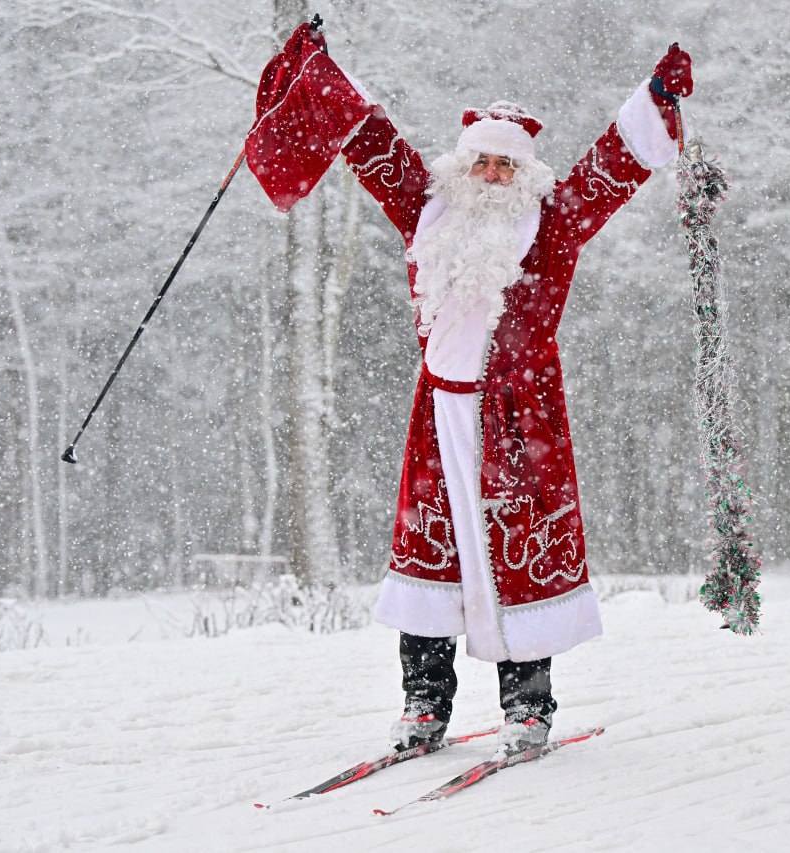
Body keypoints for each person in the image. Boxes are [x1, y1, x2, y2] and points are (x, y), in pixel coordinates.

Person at [245, 22, 694, 752]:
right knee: (431, 559)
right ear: (462, 164)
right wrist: (320, 72)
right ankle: (424, 703)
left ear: (525, 176)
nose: (490, 175)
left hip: (519, 422)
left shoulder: (552, 227)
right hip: (438, 414)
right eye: (481, 161)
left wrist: (655, 98)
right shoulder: (425, 208)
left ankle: (528, 708)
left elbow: (608, 167)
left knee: (515, 558)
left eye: (505, 167)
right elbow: (369, 137)